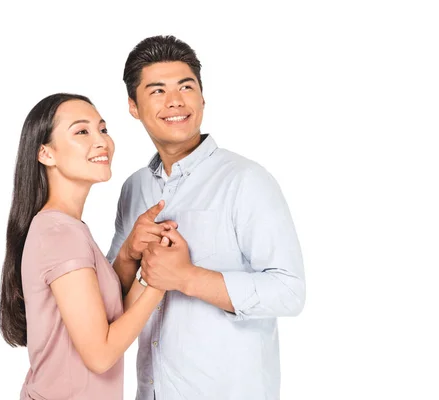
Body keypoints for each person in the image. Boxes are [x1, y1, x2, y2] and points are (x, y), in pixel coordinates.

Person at [107, 35, 306, 400]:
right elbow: (107, 303)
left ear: (202, 98)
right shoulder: (133, 189)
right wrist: (127, 255)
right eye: (157, 91)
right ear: (133, 106)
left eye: (186, 87)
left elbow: (290, 292)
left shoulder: (247, 180)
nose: (176, 101)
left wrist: (187, 277)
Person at [0, 93, 173, 400]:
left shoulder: (64, 228)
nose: (101, 141)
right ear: (46, 154)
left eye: (103, 129)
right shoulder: (59, 233)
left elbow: (105, 319)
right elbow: (100, 355)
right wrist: (159, 282)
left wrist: (134, 254)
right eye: (82, 131)